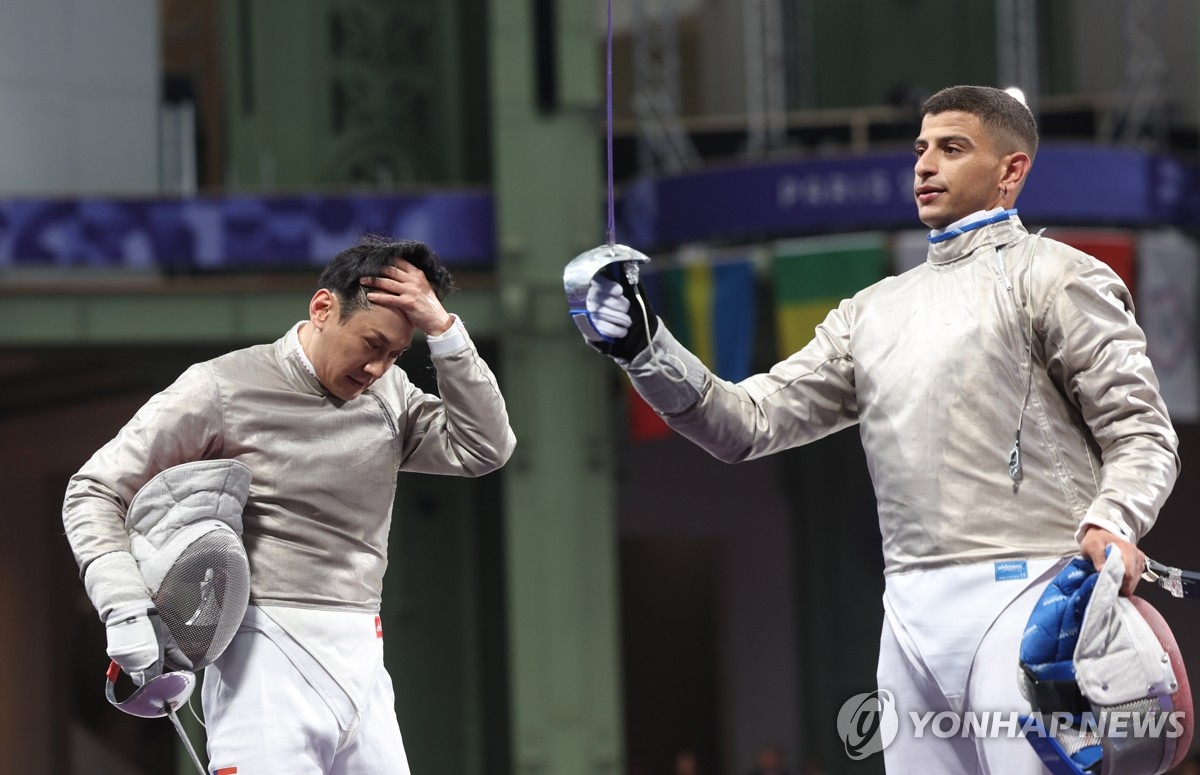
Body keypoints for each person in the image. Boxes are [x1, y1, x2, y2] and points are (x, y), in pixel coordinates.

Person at [579, 85, 1179, 773]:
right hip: (910, 619)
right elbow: (745, 423)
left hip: (1033, 597)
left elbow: (1141, 430)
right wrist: (644, 345)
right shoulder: (870, 313)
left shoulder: (1058, 276)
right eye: (921, 149)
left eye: (953, 148)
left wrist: (1114, 519)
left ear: (1012, 170)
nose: (925, 165)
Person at [63, 235, 516, 773]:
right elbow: (93, 489)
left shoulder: (390, 394)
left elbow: (484, 448)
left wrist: (445, 331)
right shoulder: (222, 387)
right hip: (264, 656)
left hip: (364, 656)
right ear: (323, 308)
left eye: (396, 354)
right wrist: (123, 604)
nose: (378, 368)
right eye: (372, 343)